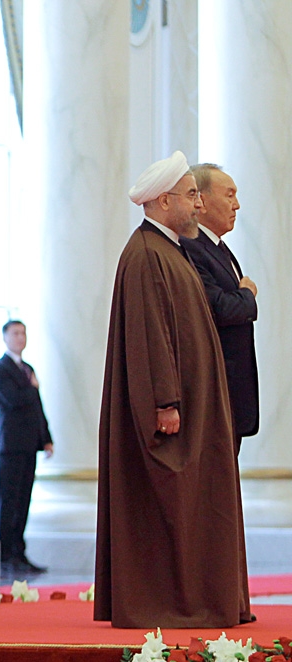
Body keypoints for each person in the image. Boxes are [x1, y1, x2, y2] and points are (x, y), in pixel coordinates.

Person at [94, 151, 251, 629]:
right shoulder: (146, 254)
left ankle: (203, 598)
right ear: (164, 201)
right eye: (190, 196)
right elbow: (150, 335)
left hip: (194, 406)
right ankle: (176, 602)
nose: (198, 206)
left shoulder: (168, 249)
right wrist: (166, 403)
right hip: (173, 414)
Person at [183, 164, 259, 456]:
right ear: (201, 200)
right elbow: (219, 308)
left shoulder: (218, 247)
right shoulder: (192, 248)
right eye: (229, 195)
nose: (236, 204)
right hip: (213, 392)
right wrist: (247, 294)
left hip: (231, 394)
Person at [0, 320, 53, 581]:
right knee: (9, 501)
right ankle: (6, 554)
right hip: (9, 445)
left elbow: (38, 408)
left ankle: (20, 551)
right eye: (15, 333)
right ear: (5, 338)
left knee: (24, 500)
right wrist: (31, 387)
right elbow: (11, 400)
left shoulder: (28, 369)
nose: (20, 337)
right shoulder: (0, 369)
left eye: (23, 333)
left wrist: (46, 438)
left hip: (29, 444)